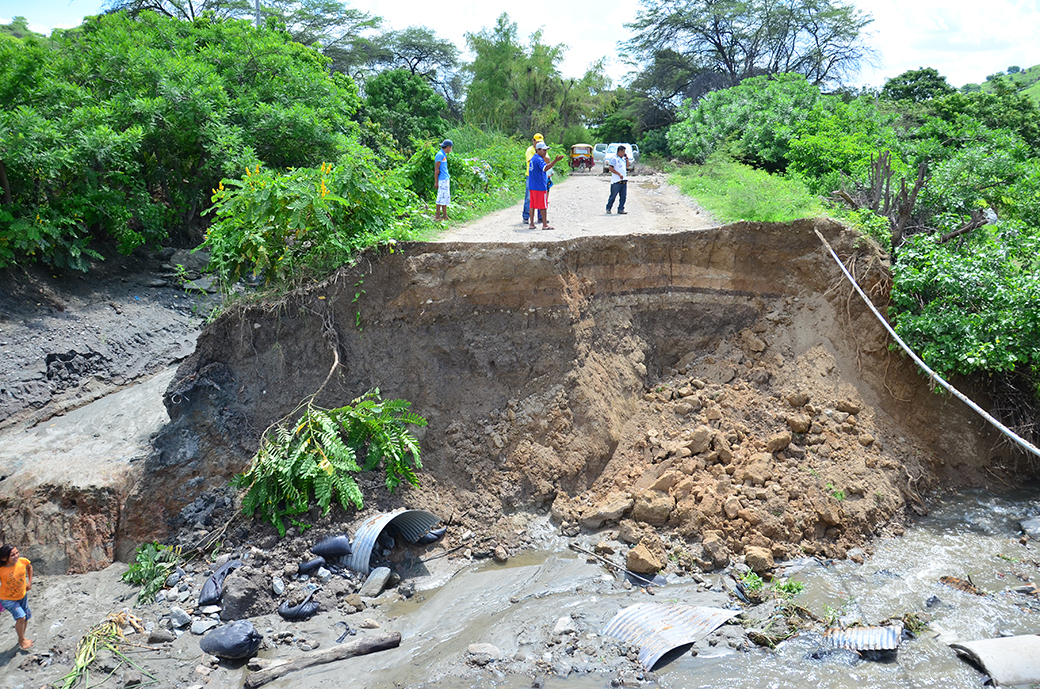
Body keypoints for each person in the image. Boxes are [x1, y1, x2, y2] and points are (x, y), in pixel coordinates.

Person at [0, 544, 33, 650]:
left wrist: (30, 582)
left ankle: (22, 637)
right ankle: (21, 640)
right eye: (12, 555)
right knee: (21, 617)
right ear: (4, 558)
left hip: (22, 595)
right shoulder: (1, 569)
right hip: (8, 599)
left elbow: (30, 567)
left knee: (26, 617)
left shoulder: (23, 561)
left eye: (16, 553)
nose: (16, 556)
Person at [528, 142, 564, 230]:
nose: (545, 152)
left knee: (532, 205)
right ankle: (545, 225)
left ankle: (531, 223)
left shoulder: (533, 158)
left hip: (532, 186)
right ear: (538, 150)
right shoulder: (539, 159)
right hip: (540, 187)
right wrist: (555, 161)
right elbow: (545, 168)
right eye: (544, 150)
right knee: (543, 205)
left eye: (546, 150)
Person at [522, 133, 544, 225]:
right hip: (530, 176)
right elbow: (534, 161)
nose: (538, 143)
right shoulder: (530, 150)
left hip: (540, 176)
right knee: (529, 197)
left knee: (541, 196)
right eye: (537, 142)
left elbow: (547, 161)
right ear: (533, 141)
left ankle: (540, 217)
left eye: (540, 142)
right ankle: (526, 216)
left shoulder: (542, 149)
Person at [606, 145, 629, 215]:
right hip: (616, 181)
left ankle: (621, 209)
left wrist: (627, 158)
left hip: (624, 180)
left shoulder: (623, 159)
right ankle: (608, 208)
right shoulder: (614, 159)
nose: (624, 153)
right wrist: (618, 174)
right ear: (619, 151)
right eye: (623, 152)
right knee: (613, 196)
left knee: (623, 196)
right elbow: (610, 168)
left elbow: (627, 166)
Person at [434, 139, 452, 221]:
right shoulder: (440, 155)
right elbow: (436, 169)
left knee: (445, 197)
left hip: (445, 178)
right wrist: (436, 182)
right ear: (448, 147)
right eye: (451, 148)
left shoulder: (443, 154)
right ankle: (438, 215)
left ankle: (445, 215)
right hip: (442, 179)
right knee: (440, 197)